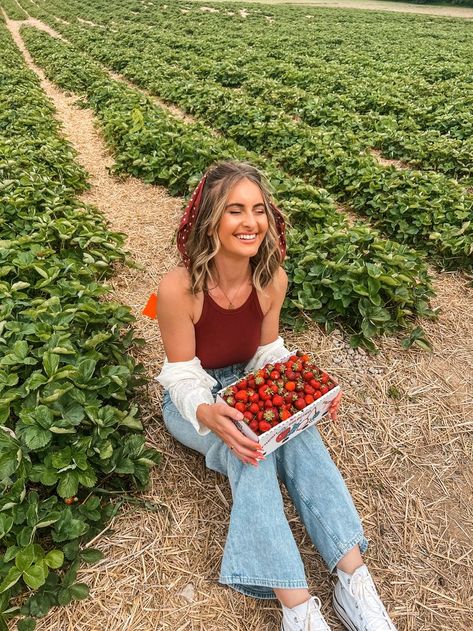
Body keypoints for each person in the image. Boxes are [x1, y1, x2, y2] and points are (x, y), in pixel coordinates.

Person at [155, 161, 397, 630]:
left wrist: (305, 388)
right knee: (250, 450)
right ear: (210, 218)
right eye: (235, 211)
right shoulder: (178, 288)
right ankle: (299, 605)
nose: (250, 223)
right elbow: (180, 375)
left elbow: (266, 352)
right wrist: (208, 411)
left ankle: (353, 580)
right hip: (194, 400)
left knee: (300, 435)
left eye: (258, 210)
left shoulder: (271, 280)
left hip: (243, 382)